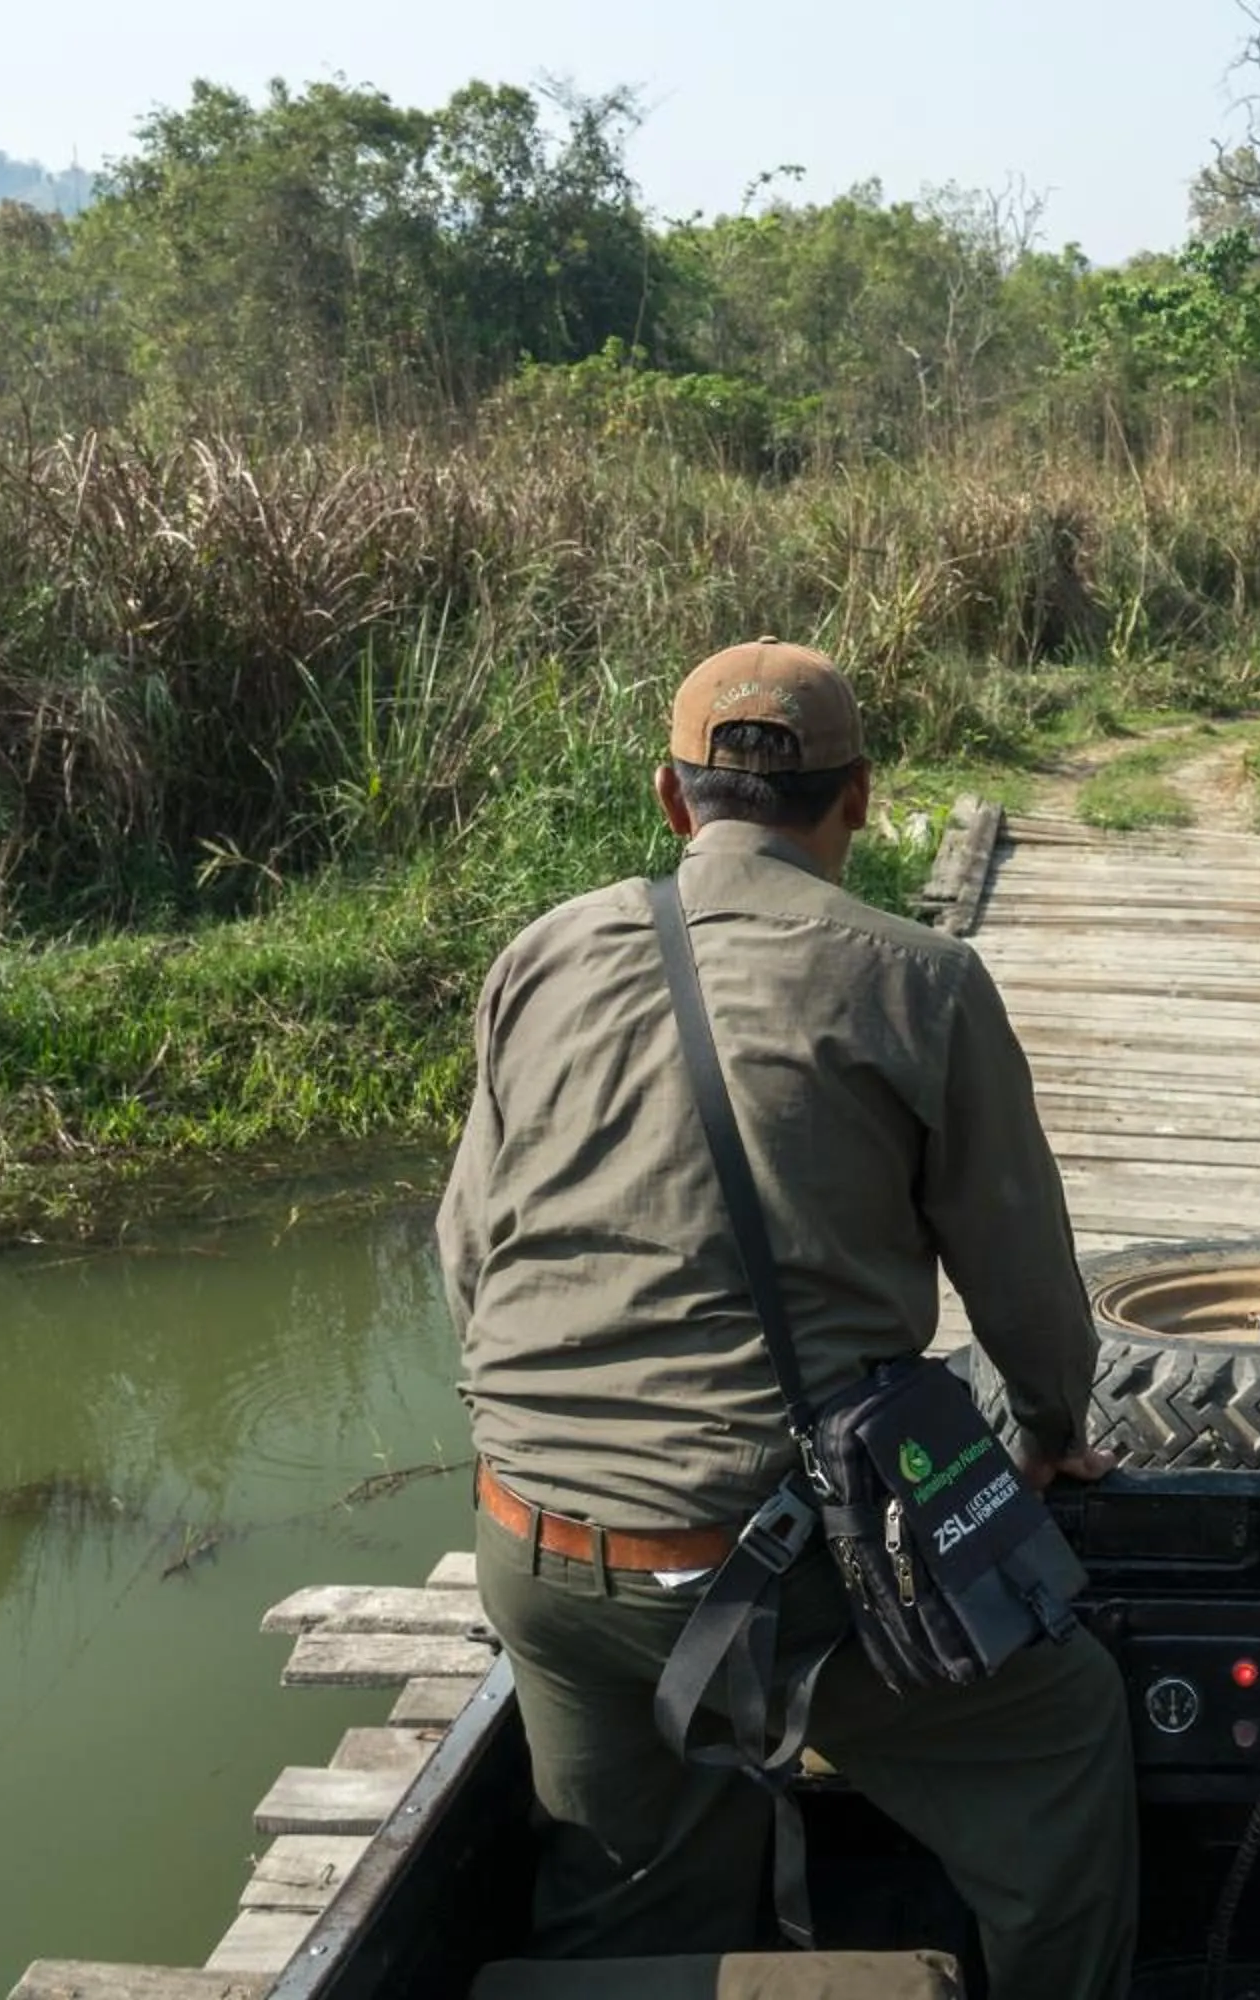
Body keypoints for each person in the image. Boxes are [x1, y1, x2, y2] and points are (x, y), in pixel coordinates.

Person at [438, 638, 1138, 1993]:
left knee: (634, 1899)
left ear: (670, 796)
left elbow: (468, 1255)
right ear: (860, 798)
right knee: (1065, 1743)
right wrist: (1048, 1434)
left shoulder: (541, 953)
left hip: (536, 1546)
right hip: (779, 1571)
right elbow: (1027, 1292)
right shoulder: (922, 981)